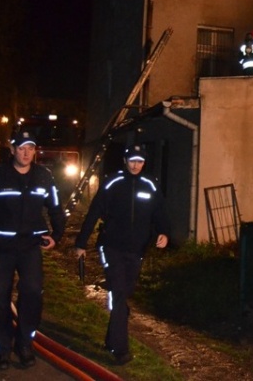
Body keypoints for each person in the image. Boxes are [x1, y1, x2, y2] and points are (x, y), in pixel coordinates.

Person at [0, 130, 66, 370]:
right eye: (21, 148)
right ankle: (2, 347)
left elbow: (56, 209)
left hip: (31, 247)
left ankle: (24, 344)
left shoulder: (44, 176)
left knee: (32, 294)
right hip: (2, 247)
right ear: (12, 150)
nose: (26, 152)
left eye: (30, 148)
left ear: (35, 151)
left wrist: (56, 236)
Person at [74, 144, 169, 365]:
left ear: (144, 162)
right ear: (125, 161)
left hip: (136, 250)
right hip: (111, 247)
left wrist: (164, 233)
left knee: (124, 294)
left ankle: (111, 338)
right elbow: (94, 212)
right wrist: (81, 243)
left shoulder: (150, 185)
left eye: (140, 161)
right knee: (117, 293)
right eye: (132, 161)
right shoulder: (112, 182)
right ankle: (120, 349)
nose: (136, 165)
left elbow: (160, 212)